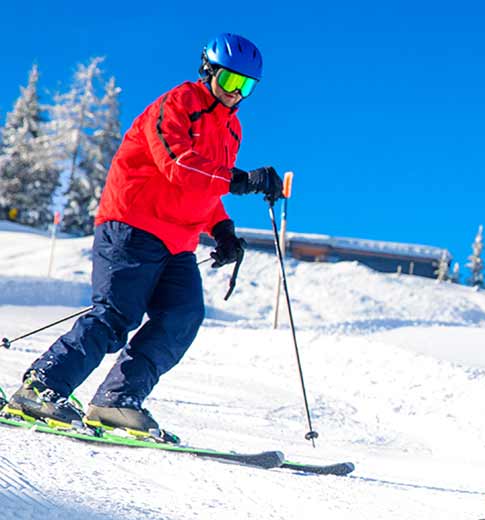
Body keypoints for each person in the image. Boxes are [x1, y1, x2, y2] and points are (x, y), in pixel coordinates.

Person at [2, 33, 285, 437]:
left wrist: (222, 230)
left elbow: (205, 187)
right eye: (229, 80)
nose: (236, 93)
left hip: (178, 242)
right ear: (208, 70)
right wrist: (241, 180)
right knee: (116, 315)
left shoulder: (232, 130)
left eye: (247, 86)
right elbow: (180, 166)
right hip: (133, 223)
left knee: (182, 316)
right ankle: (41, 388)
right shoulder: (178, 104)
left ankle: (118, 400)